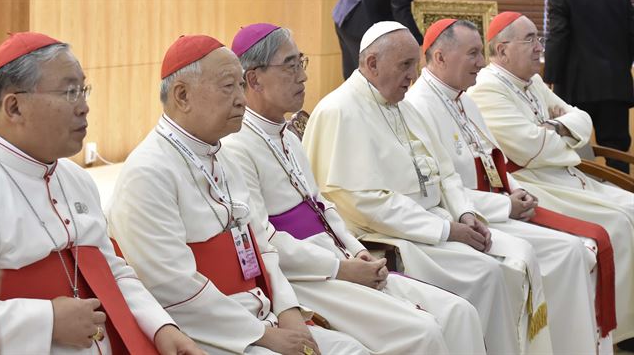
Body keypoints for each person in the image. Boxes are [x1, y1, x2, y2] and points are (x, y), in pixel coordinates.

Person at [221, 22, 487, 355]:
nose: (303, 77)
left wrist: (353, 248)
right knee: (423, 332)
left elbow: (322, 206)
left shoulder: (286, 136)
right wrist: (340, 267)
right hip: (307, 279)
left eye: (300, 62)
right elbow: (265, 242)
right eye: (289, 66)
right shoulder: (236, 146)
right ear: (254, 78)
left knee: (460, 313)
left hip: (341, 258)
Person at [107, 34, 368, 355]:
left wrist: (290, 314)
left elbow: (262, 248)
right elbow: (172, 287)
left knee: (352, 349)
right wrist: (263, 335)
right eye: (228, 87)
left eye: (241, 86)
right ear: (182, 95)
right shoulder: (147, 172)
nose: (242, 99)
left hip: (260, 315)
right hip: (210, 336)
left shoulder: (223, 157)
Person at [303, 21, 553, 355]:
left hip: (436, 222)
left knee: (506, 265)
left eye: (414, 65)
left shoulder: (403, 105)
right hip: (393, 236)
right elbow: (365, 203)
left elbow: (445, 172)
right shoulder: (339, 111)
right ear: (372, 63)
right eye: (404, 66)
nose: (412, 76)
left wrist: (464, 213)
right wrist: (446, 230)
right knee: (488, 273)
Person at [406, 18, 616, 354]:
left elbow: (494, 160)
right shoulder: (420, 105)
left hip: (501, 204)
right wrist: (506, 205)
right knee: (569, 251)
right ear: (441, 57)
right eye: (473, 53)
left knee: (576, 249)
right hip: (476, 215)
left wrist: (514, 188)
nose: (481, 62)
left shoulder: (464, 98)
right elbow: (445, 188)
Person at [0, 32, 202, 354]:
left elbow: (111, 270)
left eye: (83, 89)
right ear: (14, 107)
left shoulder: (76, 179)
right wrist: (46, 319)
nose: (84, 107)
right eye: (69, 92)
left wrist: (162, 327)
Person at [469, 11, 634, 346]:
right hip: (537, 184)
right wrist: (563, 132)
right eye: (530, 39)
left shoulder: (532, 82)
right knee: (618, 221)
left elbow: (583, 122)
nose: (539, 47)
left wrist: (557, 127)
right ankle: (615, 329)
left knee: (632, 206)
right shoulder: (487, 90)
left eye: (539, 38)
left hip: (564, 174)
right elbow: (531, 149)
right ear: (502, 50)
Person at [544, 0, 634, 174]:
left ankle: (581, 197)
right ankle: (624, 198)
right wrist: (620, 67)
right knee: (617, 151)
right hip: (614, 85)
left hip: (575, 86)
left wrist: (549, 77)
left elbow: (558, 34)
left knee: (572, 147)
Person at [333, 0, 423, 79]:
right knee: (370, 81)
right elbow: (399, 6)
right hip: (360, 18)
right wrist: (419, 44)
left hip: (347, 13)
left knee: (357, 80)